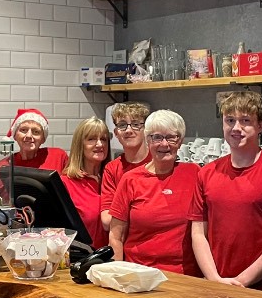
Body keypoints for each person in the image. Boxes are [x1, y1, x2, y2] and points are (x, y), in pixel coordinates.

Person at [189, 91, 262, 291]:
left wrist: (242, 281)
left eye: (245, 120)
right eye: (230, 120)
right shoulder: (206, 173)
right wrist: (214, 278)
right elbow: (198, 233)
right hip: (216, 286)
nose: (236, 128)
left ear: (260, 126)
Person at [108, 109, 199, 275]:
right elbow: (116, 236)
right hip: (139, 274)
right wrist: (118, 273)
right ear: (147, 140)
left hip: (186, 276)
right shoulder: (131, 180)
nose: (164, 144)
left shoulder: (195, 174)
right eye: (157, 137)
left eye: (172, 137)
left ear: (181, 141)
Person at [0, 108, 68, 202]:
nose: (29, 136)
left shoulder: (58, 157)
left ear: (43, 139)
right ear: (15, 135)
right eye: (23, 130)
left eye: (36, 132)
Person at [61, 116, 112, 248]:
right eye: (92, 139)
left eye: (104, 139)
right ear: (80, 145)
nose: (100, 144)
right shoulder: (65, 183)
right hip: (82, 261)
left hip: (113, 260)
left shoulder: (115, 180)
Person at [99, 101, 150, 231]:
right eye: (122, 125)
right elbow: (106, 221)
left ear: (146, 130)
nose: (128, 130)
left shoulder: (157, 163)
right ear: (116, 133)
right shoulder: (112, 169)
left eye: (135, 124)